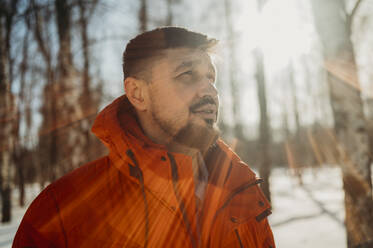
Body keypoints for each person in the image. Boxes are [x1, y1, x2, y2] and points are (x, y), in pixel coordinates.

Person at [13, 27, 275, 248]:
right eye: (187, 75)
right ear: (137, 92)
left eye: (211, 77)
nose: (209, 89)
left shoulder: (242, 192)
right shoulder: (62, 211)